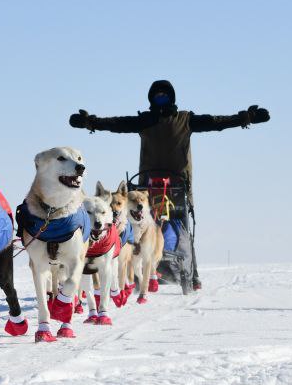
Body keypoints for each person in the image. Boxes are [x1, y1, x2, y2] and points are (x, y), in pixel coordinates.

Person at [68, 80, 270, 290]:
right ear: (151, 98)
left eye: (165, 95)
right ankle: (134, 272)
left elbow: (215, 122)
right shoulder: (144, 121)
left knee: (182, 225)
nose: (161, 98)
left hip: (178, 184)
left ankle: (193, 275)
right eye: (157, 95)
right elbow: (117, 124)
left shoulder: (185, 120)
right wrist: (91, 122)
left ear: (172, 97)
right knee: (139, 227)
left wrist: (245, 118)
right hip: (146, 186)